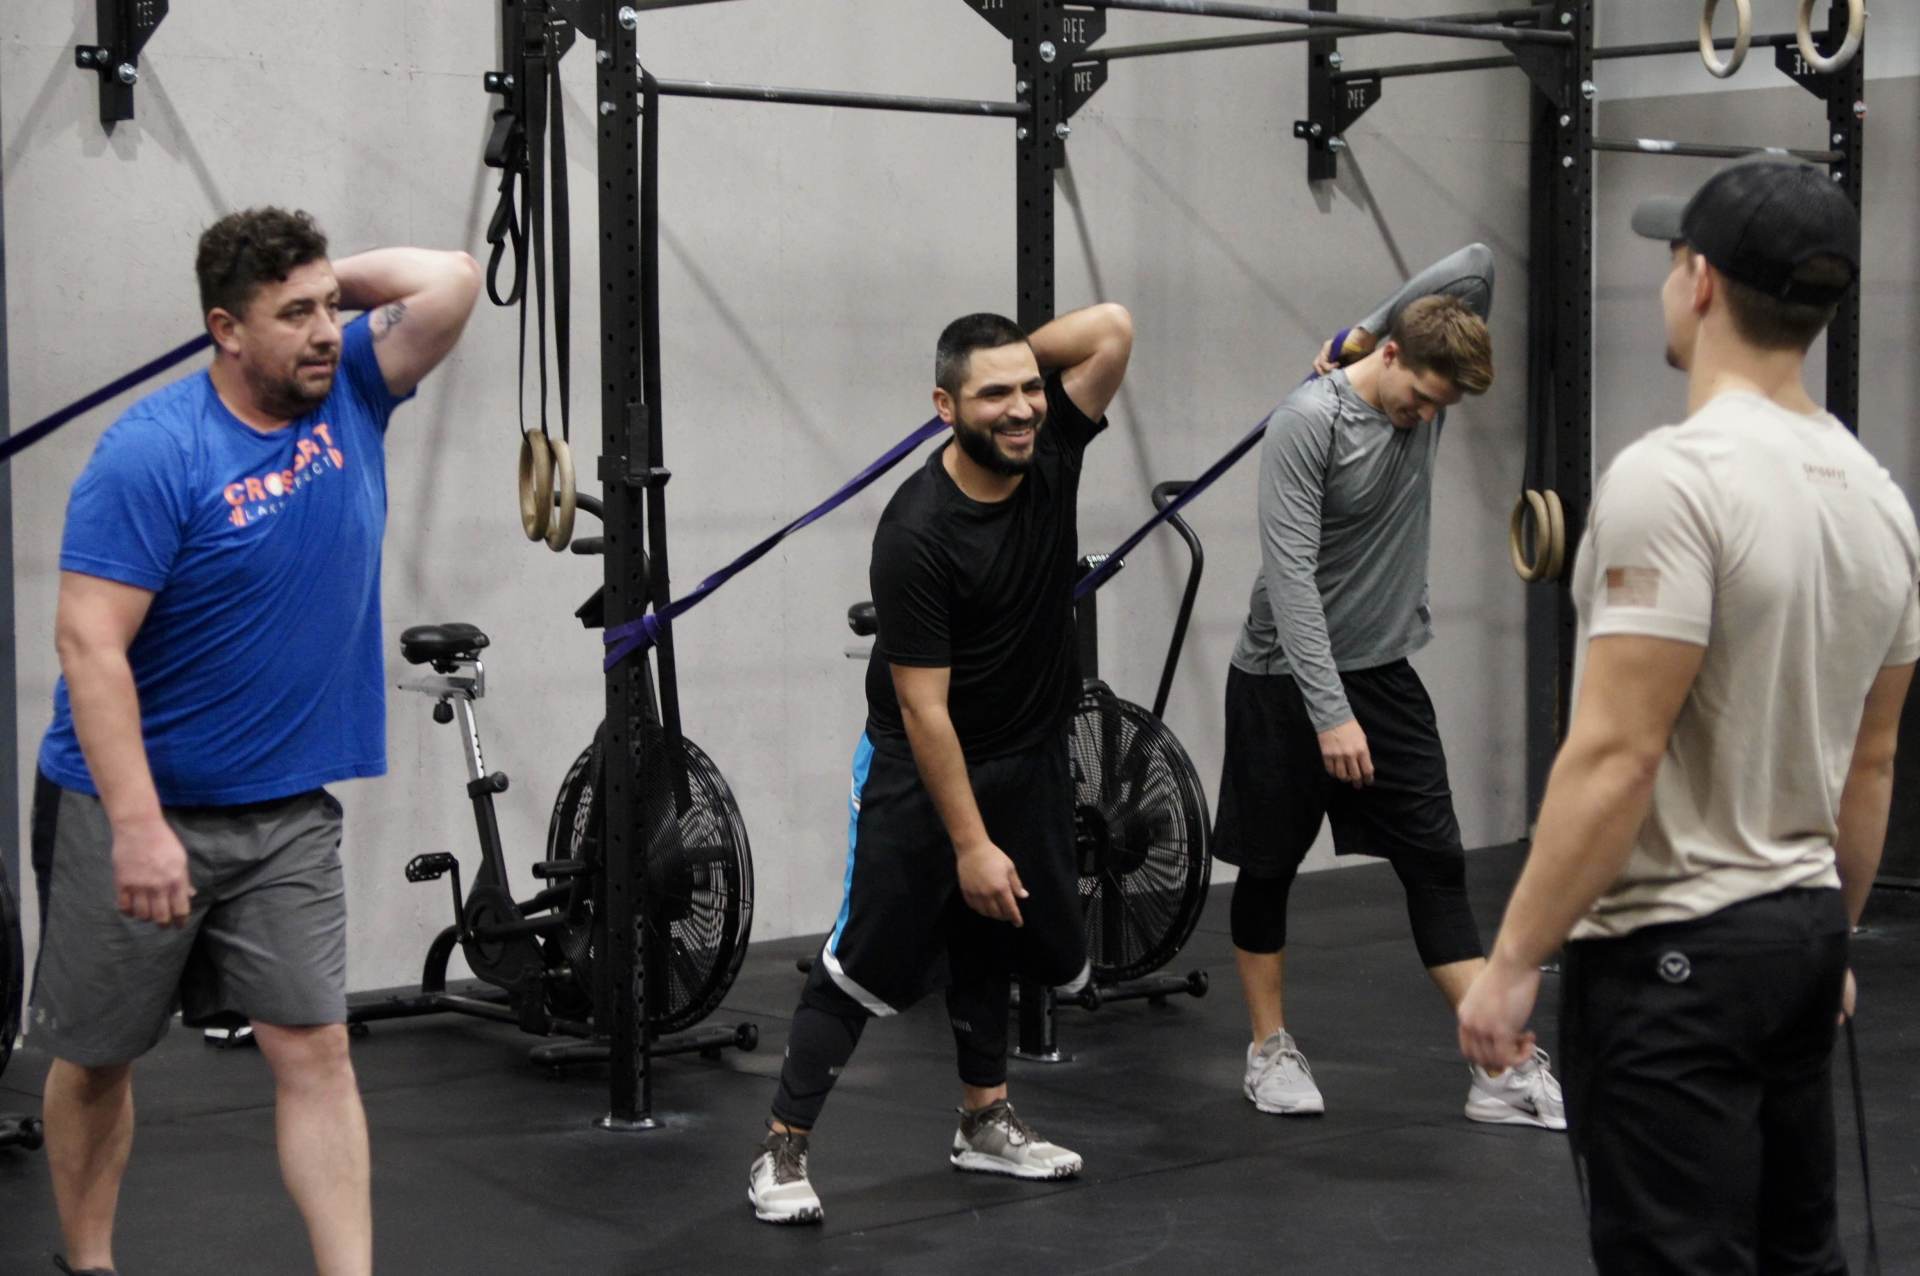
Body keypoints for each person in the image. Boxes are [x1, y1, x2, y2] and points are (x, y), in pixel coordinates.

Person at [1458, 160, 1916, 1273]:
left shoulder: (1676, 477)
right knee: (1795, 1256)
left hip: (1675, 958)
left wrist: (1515, 956)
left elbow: (1617, 752)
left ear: (1699, 281)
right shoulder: (1879, 498)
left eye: (1672, 261)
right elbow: (1872, 765)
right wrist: (1824, 934)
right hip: (1798, 930)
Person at [30, 207, 481, 1276]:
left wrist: (322, 282)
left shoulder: (357, 390)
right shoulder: (153, 453)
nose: (329, 330)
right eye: (295, 314)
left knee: (317, 1050)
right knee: (98, 1058)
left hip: (284, 812)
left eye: (332, 305)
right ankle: (87, 1263)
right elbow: (88, 646)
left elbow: (454, 278)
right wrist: (139, 829)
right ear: (225, 331)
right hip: (133, 807)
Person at [747, 304, 1134, 1225]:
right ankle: (780, 1150)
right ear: (942, 407)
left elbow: (1112, 328)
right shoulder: (917, 531)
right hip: (923, 774)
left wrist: (1001, 364)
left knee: (997, 942)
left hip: (1026, 762)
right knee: (863, 959)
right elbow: (924, 709)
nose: (1022, 409)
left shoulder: (1052, 456)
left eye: (1031, 389)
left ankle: (983, 1123)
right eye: (992, 395)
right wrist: (970, 843)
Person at [1217, 244, 1564, 1128]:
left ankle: (1501, 1068)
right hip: (1284, 676)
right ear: (1396, 362)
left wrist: (1368, 322)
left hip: (1383, 668)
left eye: (1440, 410)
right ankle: (1269, 1051)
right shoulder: (1310, 421)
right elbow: (1290, 576)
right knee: (1268, 868)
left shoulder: (1419, 392)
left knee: (1436, 863)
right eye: (1419, 396)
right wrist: (1328, 715)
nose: (1422, 419)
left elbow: (1478, 265)